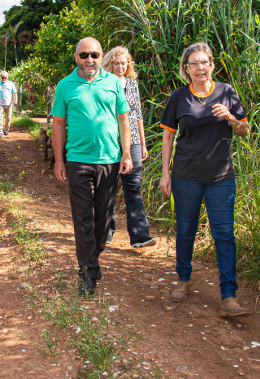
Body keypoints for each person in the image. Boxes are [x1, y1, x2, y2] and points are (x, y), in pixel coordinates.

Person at [159, 42, 250, 317]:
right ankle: (183, 280)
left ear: (212, 65)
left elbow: (244, 131)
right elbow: (168, 136)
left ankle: (229, 296)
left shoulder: (226, 92)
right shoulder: (178, 97)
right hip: (186, 175)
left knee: (224, 234)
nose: (200, 68)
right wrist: (165, 172)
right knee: (185, 230)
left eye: (205, 62)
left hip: (220, 177)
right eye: (194, 64)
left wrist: (232, 118)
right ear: (186, 69)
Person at [51, 37, 133, 294]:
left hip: (109, 160)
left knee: (104, 219)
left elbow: (123, 119)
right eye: (84, 55)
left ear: (101, 58)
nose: (90, 60)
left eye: (95, 55)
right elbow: (58, 124)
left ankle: (92, 256)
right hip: (77, 161)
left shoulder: (113, 84)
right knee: (83, 217)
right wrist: (59, 159)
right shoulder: (65, 86)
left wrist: (127, 153)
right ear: (76, 57)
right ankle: (87, 272)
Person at [101, 47, 156, 248]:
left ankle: (140, 235)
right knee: (108, 187)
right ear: (109, 64)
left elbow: (138, 115)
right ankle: (106, 231)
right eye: (117, 63)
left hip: (131, 140)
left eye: (124, 63)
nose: (121, 67)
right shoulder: (103, 84)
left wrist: (142, 142)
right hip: (110, 140)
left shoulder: (132, 84)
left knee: (133, 186)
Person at [0, 70, 18, 137]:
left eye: (5, 77)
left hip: (9, 104)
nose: (4, 79)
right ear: (1, 77)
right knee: (0, 117)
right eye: (2, 77)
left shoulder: (11, 84)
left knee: (8, 118)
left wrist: (15, 100)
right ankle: (0, 131)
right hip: (0, 104)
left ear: (7, 77)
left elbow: (14, 93)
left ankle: (6, 130)